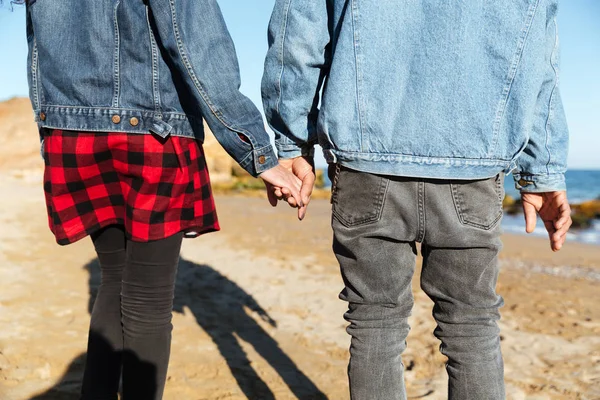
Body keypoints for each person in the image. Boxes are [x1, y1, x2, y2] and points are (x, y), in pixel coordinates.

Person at [262, 1, 572, 399]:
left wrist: (292, 141)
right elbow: (541, 60)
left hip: (366, 164)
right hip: (472, 170)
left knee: (375, 323)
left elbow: (298, 36)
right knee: (471, 328)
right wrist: (542, 172)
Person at [24, 0, 304, 398]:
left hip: (72, 136)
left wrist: (52, 132)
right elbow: (196, 44)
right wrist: (256, 151)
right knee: (148, 300)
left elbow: (39, 50)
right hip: (152, 132)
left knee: (114, 283)